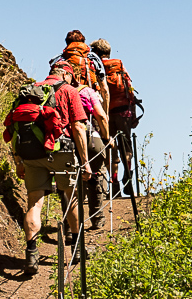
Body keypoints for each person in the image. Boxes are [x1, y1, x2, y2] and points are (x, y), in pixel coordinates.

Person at [11, 62, 92, 275]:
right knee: (71, 197)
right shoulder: (69, 91)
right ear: (65, 74)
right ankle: (76, 249)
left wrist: (19, 161)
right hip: (61, 150)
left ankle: (31, 253)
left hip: (31, 154)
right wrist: (85, 162)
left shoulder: (29, 91)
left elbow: (15, 127)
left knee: (34, 203)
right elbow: (78, 127)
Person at [90, 39, 140, 197]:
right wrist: (134, 114)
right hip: (124, 111)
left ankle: (114, 183)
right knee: (126, 147)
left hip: (105, 113)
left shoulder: (95, 67)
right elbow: (129, 90)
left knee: (109, 146)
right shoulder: (118, 65)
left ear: (96, 52)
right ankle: (128, 179)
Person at [74, 79, 111, 230]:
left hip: (67, 140)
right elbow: (101, 116)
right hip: (91, 137)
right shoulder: (87, 91)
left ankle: (72, 226)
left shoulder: (57, 92)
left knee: (73, 182)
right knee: (96, 175)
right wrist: (106, 137)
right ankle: (97, 218)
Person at [50, 30, 110, 113]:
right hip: (88, 103)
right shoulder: (92, 58)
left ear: (67, 43)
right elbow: (105, 89)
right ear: (83, 42)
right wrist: (105, 114)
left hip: (66, 103)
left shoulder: (60, 59)